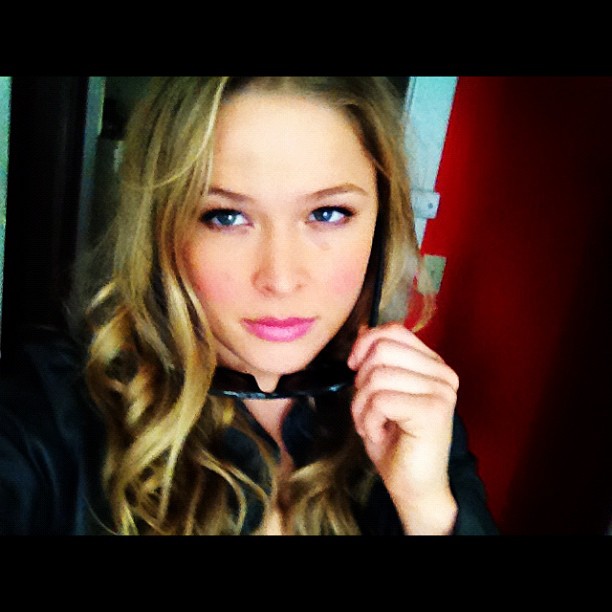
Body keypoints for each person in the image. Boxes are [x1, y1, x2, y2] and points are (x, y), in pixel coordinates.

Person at [0, 76, 499, 535]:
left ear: (381, 228)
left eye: (328, 213)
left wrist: (427, 508)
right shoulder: (46, 414)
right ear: (163, 232)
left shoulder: (409, 409)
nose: (280, 279)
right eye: (225, 217)